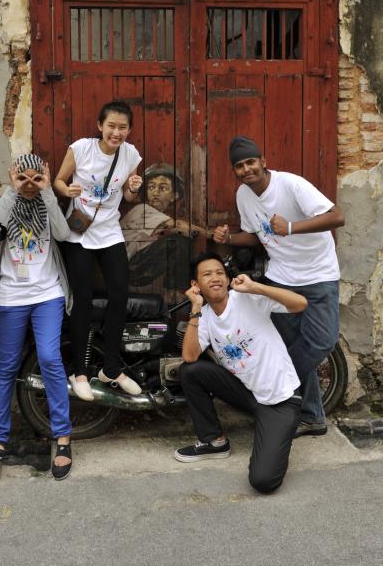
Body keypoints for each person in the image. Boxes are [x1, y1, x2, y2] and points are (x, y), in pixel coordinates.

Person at [213, 135, 345, 438]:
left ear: (263, 162)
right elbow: (258, 236)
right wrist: (228, 238)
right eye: (239, 166)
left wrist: (291, 227)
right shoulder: (243, 195)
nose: (246, 169)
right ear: (234, 170)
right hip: (281, 278)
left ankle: (272, 385)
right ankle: (312, 417)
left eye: (251, 162)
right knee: (289, 345)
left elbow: (337, 217)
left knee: (322, 342)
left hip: (318, 275)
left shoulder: (291, 185)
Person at [176, 253, 307, 493]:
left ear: (227, 279)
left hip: (280, 400)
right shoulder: (203, 316)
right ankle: (214, 441)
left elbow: (300, 304)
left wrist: (256, 287)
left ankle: (277, 432)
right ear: (195, 286)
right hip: (248, 394)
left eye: (219, 273)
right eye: (207, 274)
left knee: (263, 481)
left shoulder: (247, 298)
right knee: (191, 371)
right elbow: (190, 356)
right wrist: (195, 309)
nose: (215, 278)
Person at [0, 153, 73, 480]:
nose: (30, 184)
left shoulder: (47, 203)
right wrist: (13, 190)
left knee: (50, 358)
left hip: (48, 293)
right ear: (14, 177)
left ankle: (62, 436)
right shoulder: (7, 202)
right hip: (10, 296)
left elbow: (63, 235)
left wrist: (47, 190)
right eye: (24, 177)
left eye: (36, 177)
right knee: (7, 364)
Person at [54, 100, 143, 401]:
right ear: (100, 126)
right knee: (83, 299)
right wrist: (67, 191)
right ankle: (79, 371)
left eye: (122, 127)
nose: (116, 132)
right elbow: (58, 182)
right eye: (111, 126)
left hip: (109, 231)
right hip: (79, 234)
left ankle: (111, 368)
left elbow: (129, 196)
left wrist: (133, 187)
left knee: (119, 295)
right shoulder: (81, 149)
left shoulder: (130, 155)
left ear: (129, 130)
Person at [121, 162, 205, 297]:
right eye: (151, 187)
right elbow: (180, 227)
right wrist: (213, 235)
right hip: (126, 268)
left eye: (163, 188)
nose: (155, 192)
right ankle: (176, 295)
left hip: (133, 267)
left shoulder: (157, 216)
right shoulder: (142, 210)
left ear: (174, 195)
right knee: (178, 242)